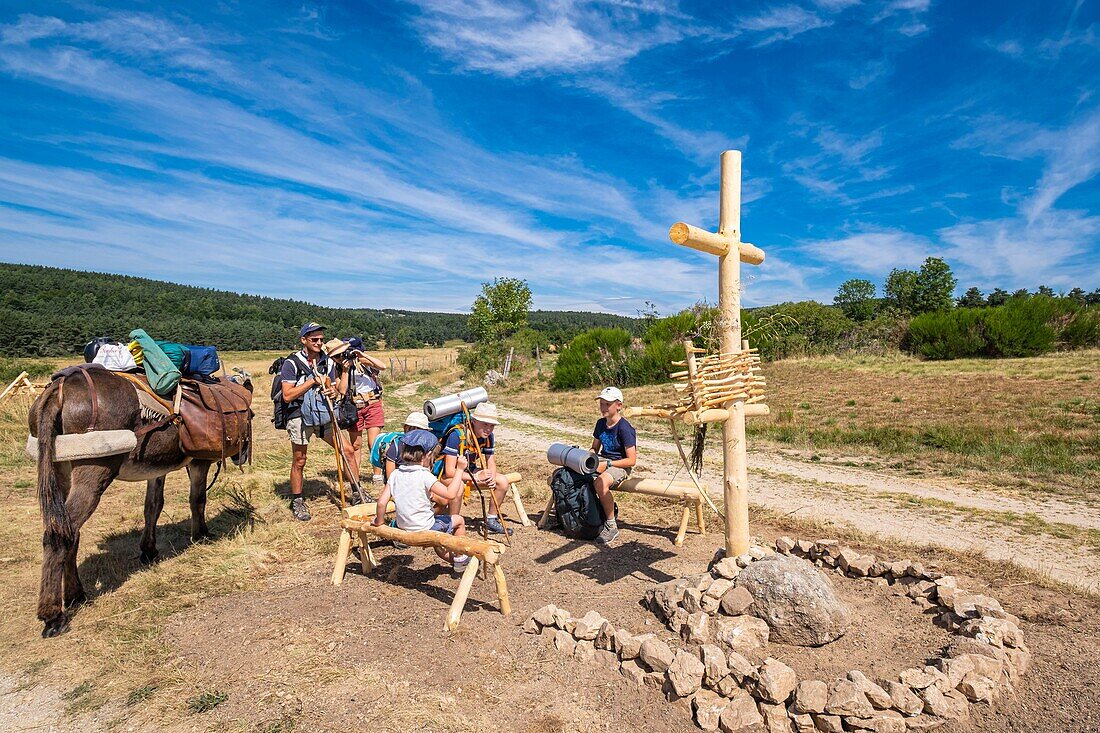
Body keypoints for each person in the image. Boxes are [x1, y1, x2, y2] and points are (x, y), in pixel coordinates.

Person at [280, 322, 357, 521]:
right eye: (314, 339)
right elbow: (287, 396)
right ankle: (297, 500)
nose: (319, 342)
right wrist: (311, 382)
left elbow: (332, 386)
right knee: (299, 460)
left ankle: (357, 492)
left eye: (321, 339)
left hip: (323, 413)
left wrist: (331, 390)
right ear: (303, 340)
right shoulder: (292, 363)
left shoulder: (328, 362)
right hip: (299, 414)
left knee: (347, 450)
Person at [373, 429, 470, 572]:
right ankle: (461, 559)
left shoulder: (395, 474)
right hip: (425, 526)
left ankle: (457, 561)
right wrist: (460, 470)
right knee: (459, 520)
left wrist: (379, 522)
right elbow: (450, 494)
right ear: (428, 455)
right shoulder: (424, 476)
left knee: (440, 540)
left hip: (403, 525)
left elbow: (381, 502)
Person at [440, 402, 512, 535]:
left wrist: (491, 476)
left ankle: (491, 519)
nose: (488, 429)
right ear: (473, 421)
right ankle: (452, 524)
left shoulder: (488, 437)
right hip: (448, 475)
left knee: (502, 481)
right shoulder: (456, 435)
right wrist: (477, 477)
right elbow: (449, 471)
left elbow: (490, 461)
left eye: (492, 425)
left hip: (469, 470)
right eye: (485, 424)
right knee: (458, 487)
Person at [590, 386, 637, 545]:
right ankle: (586, 516)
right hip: (603, 461)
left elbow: (631, 460)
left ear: (619, 406)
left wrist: (607, 464)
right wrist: (589, 458)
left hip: (620, 465)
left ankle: (611, 525)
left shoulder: (625, 428)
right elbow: (594, 447)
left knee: (601, 482)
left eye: (607, 404)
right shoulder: (600, 424)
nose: (603, 407)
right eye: (601, 403)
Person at [341, 337, 388, 490]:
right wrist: (345, 368)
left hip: (373, 403)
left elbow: (383, 366)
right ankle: (355, 477)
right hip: (354, 406)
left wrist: (363, 357)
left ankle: (377, 475)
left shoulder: (366, 362)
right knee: (356, 444)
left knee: (374, 443)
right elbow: (341, 388)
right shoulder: (342, 365)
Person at [378, 411, 431, 481]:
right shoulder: (396, 446)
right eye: (411, 429)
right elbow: (390, 479)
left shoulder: (426, 447)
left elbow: (427, 472)